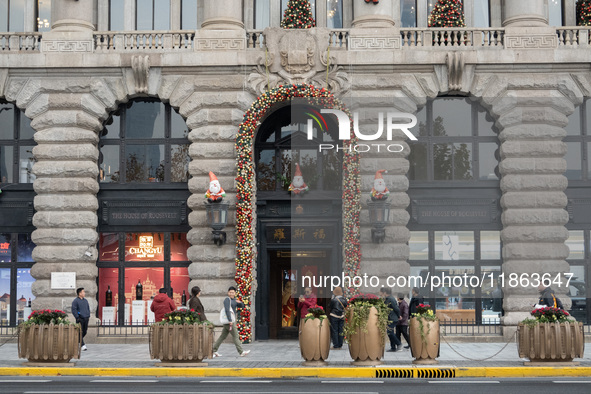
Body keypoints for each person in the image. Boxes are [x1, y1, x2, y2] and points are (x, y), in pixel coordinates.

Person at [213, 286, 250, 357]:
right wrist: (230, 320)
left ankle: (214, 350)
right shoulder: (227, 300)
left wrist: (240, 302)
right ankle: (241, 352)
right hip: (230, 321)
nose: (231, 293)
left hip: (231, 321)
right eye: (230, 292)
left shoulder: (234, 300)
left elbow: (242, 306)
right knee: (236, 336)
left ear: (235, 293)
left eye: (233, 292)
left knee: (222, 337)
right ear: (228, 292)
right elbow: (227, 310)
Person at [380, 287, 401, 352]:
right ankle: (393, 347)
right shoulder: (387, 299)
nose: (379, 293)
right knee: (390, 332)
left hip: (393, 318)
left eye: (380, 292)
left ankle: (399, 343)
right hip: (390, 318)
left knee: (390, 332)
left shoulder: (391, 299)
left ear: (385, 292)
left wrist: (399, 316)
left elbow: (396, 308)